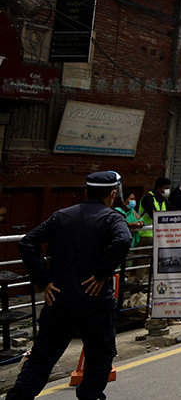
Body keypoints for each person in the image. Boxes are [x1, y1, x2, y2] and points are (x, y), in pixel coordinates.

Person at [7, 171, 132, 400]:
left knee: (41, 359)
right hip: (94, 303)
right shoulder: (113, 218)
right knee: (99, 358)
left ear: (86, 191)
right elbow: (123, 240)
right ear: (113, 194)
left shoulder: (61, 216)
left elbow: (27, 243)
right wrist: (101, 274)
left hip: (59, 300)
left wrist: (44, 280)